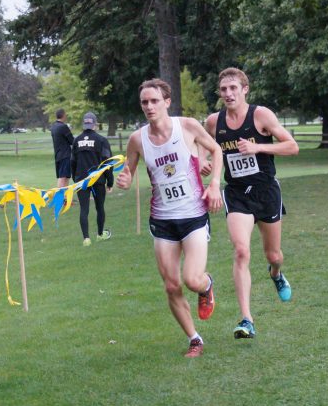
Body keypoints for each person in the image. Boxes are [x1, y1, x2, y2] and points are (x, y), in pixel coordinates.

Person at [116, 78, 223, 358]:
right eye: (144, 102)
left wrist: (214, 184)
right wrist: (125, 180)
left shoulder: (186, 126)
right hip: (162, 220)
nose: (149, 106)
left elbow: (216, 149)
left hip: (193, 216)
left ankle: (207, 285)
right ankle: (195, 339)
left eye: (154, 101)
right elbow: (128, 172)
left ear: (166, 102)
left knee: (191, 279)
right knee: (171, 285)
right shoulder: (137, 140)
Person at [203, 67, 299, 340]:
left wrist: (258, 147)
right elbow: (203, 147)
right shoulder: (213, 122)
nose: (228, 94)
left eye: (233, 88)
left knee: (274, 255)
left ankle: (276, 274)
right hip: (236, 194)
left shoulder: (261, 115)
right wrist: (203, 162)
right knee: (241, 251)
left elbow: (292, 146)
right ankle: (247, 319)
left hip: (266, 191)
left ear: (245, 89)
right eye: (224, 90)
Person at [71, 112, 114, 246]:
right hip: (98, 180)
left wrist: (75, 178)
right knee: (99, 207)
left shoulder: (77, 140)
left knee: (84, 209)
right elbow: (107, 162)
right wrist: (110, 181)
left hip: (81, 180)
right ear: (95, 124)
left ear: (84, 124)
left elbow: (72, 161)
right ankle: (100, 234)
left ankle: (86, 239)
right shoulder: (102, 141)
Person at [50, 109, 74, 188]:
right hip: (65, 155)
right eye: (65, 114)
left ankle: (64, 197)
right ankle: (60, 197)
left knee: (65, 176)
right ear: (63, 115)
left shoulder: (53, 127)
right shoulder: (63, 127)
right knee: (63, 177)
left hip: (58, 155)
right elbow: (72, 141)